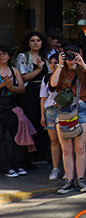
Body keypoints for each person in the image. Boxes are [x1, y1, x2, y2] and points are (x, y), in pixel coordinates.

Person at [50, 45, 86, 193]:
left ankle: (81, 180)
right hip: (64, 110)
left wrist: (82, 63)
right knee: (66, 149)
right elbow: (53, 84)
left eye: (74, 55)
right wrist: (60, 64)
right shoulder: (60, 70)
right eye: (68, 55)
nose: (71, 58)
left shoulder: (82, 70)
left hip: (82, 109)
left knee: (80, 147)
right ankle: (69, 180)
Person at [14, 32, 49, 164]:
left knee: (44, 121)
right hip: (30, 93)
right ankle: (31, 155)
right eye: (32, 40)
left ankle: (43, 152)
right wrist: (38, 70)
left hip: (44, 92)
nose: (35, 43)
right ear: (28, 43)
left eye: (38, 40)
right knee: (32, 120)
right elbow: (22, 77)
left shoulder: (45, 56)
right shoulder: (23, 56)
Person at [0, 45, 26, 178]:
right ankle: (6, 167)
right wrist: (2, 85)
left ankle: (19, 164)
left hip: (12, 105)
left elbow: (22, 89)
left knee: (18, 136)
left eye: (4, 53)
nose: (1, 56)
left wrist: (11, 86)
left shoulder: (14, 70)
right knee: (2, 139)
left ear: (9, 56)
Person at [39, 54, 62, 180]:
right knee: (54, 141)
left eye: (56, 62)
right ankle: (55, 168)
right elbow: (43, 97)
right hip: (50, 110)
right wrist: (42, 114)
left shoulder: (64, 76)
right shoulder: (46, 78)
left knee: (66, 142)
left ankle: (69, 169)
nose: (53, 65)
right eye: (51, 62)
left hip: (63, 110)